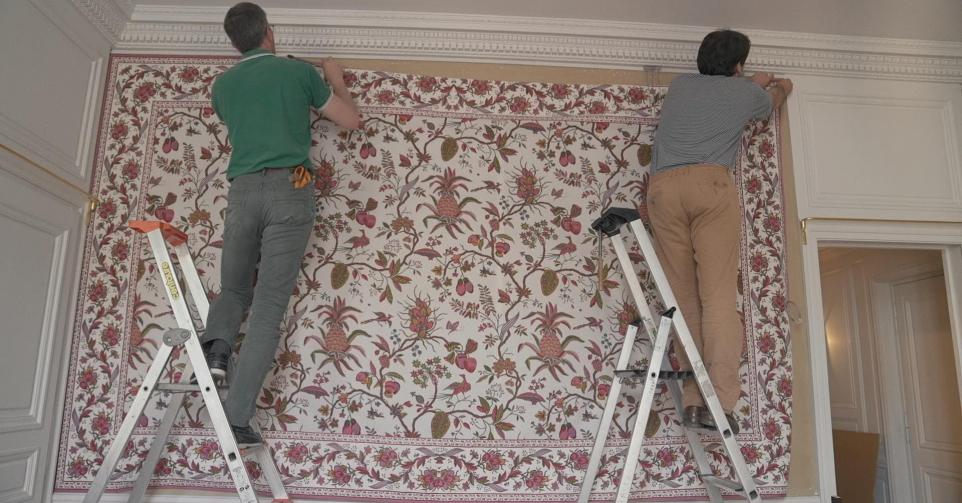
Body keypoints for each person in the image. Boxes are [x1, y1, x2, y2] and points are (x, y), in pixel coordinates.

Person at [199, 2, 361, 446]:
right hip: (291, 189)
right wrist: (335, 79)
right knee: (268, 306)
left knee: (234, 288)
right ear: (269, 32)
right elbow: (351, 120)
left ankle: (217, 348)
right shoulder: (298, 73)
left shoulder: (222, 86)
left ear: (236, 43)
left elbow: (241, 120)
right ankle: (235, 420)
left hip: (243, 191)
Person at [646, 29, 792, 434]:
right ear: (738, 66)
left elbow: (723, 91)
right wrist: (779, 86)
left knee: (685, 303)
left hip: (662, 190)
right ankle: (718, 402)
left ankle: (694, 399)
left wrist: (748, 81)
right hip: (709, 186)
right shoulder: (745, 93)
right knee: (718, 301)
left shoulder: (680, 86)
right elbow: (771, 101)